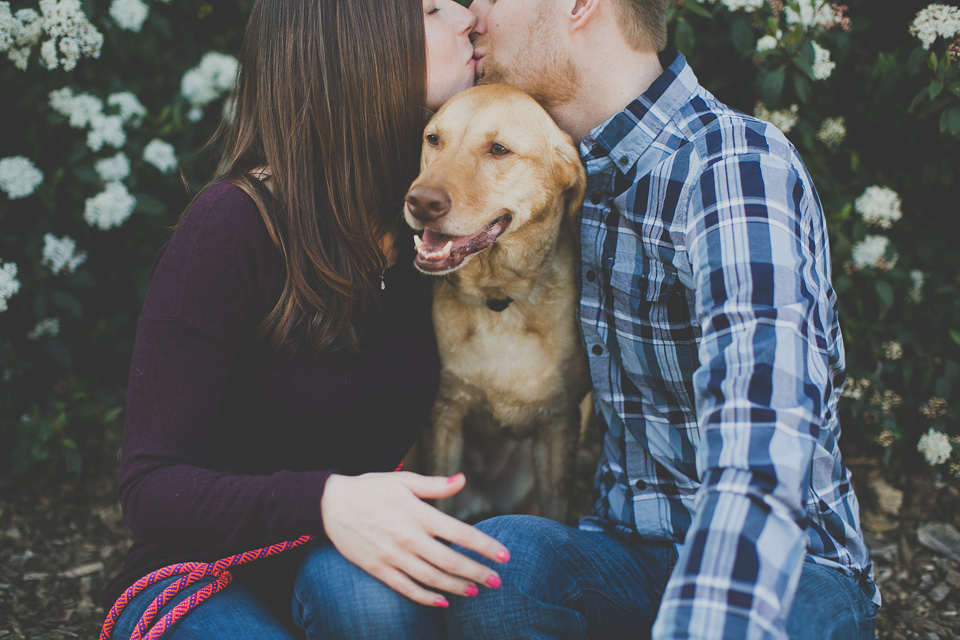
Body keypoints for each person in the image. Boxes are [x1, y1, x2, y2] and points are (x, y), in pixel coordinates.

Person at [445, 0, 879, 638]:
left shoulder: (730, 165)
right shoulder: (566, 179)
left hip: (789, 570)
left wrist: (705, 623)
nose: (469, 12)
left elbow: (762, 425)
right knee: (500, 564)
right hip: (627, 555)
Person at [99, 0, 511, 638]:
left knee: (376, 604)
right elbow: (150, 487)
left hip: (340, 557)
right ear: (359, 45)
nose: (465, 17)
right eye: (431, 9)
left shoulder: (428, 221)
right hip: (200, 570)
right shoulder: (231, 226)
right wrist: (325, 499)